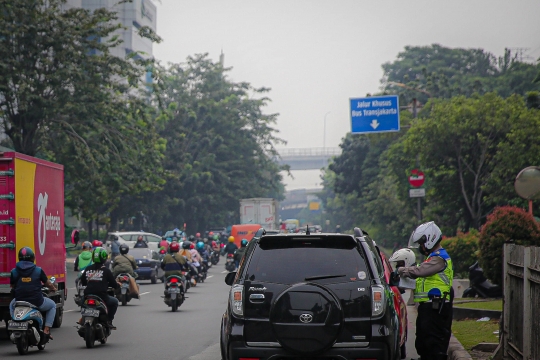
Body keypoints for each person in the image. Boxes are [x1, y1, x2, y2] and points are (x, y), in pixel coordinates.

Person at [395, 221, 454, 360]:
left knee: (434, 343)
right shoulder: (432, 258)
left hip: (436, 307)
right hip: (428, 307)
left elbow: (420, 271)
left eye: (422, 243)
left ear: (430, 238)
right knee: (423, 341)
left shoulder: (439, 258)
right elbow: (421, 281)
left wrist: (403, 270)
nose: (421, 246)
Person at [9, 247, 57, 339]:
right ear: (32, 258)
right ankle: (46, 329)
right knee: (52, 305)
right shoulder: (38, 270)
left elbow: (12, 286)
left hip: (19, 300)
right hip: (37, 301)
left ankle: (15, 321)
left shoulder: (14, 271)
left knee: (11, 305)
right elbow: (48, 283)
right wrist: (53, 288)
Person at [80, 247, 120, 329]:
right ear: (104, 258)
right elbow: (114, 284)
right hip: (101, 297)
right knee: (115, 302)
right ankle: (109, 321)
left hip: (87, 296)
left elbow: (83, 282)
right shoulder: (106, 270)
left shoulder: (88, 269)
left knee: (82, 304)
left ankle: (83, 319)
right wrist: (118, 285)